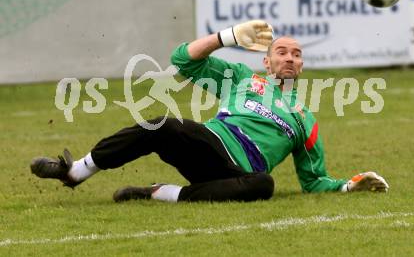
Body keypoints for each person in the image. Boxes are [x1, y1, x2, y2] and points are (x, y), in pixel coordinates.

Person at [30, 20, 389, 203]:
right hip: (210, 143)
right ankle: (77, 170)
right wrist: (228, 36)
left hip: (237, 174)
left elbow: (313, 180)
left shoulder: (304, 120)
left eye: (296, 54)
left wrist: (349, 186)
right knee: (162, 125)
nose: (290, 58)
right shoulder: (243, 79)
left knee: (264, 185)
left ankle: (159, 193)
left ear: (302, 65)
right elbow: (182, 60)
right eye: (282, 51)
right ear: (267, 60)